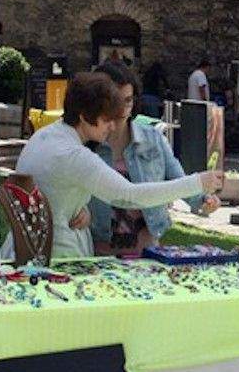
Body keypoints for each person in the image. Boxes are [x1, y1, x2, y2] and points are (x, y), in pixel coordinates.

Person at [15, 71, 221, 258]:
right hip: (60, 254)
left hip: (33, 249)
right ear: (84, 117)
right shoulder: (75, 155)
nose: (113, 125)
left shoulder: (44, 136)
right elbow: (129, 196)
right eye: (106, 119)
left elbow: (54, 192)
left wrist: (78, 208)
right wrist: (197, 182)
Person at [87, 62, 220, 256]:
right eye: (116, 100)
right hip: (97, 252)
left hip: (149, 251)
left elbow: (178, 179)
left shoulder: (153, 138)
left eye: (129, 100)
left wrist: (204, 200)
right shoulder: (86, 143)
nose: (123, 108)